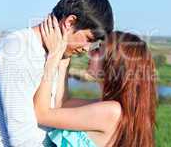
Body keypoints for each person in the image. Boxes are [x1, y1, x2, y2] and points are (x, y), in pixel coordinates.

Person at [0, 0, 114, 147]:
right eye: (88, 39)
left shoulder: (57, 54)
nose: (87, 48)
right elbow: (22, 139)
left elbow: (58, 108)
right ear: (69, 22)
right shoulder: (17, 49)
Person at [34, 18, 157, 147]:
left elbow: (41, 114)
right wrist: (64, 59)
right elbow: (63, 104)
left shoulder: (112, 111)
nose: (90, 52)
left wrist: (52, 58)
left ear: (114, 64)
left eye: (98, 49)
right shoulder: (109, 106)